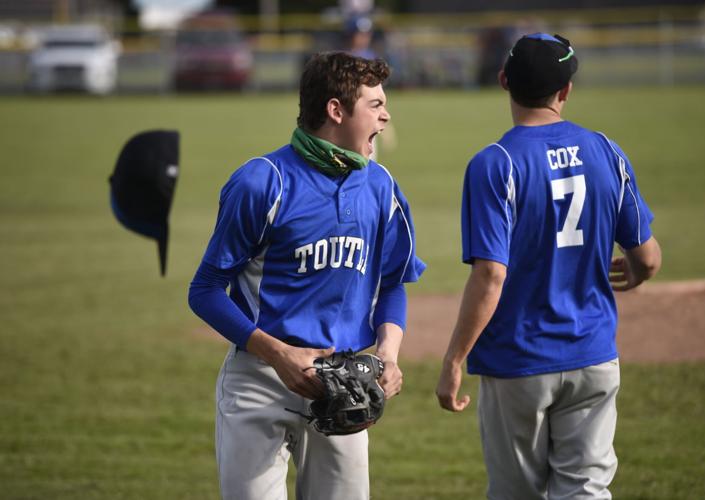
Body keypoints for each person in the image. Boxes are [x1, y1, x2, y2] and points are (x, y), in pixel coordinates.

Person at [189, 51, 425, 500]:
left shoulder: (381, 187)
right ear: (336, 110)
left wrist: (389, 355)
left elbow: (392, 281)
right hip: (260, 378)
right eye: (375, 104)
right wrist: (276, 354)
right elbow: (204, 290)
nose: (386, 114)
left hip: (346, 382)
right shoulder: (263, 182)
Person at [435, 33, 662, 499]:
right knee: (585, 490)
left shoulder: (495, 163)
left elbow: (491, 273)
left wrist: (455, 358)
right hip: (593, 355)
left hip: (518, 361)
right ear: (566, 91)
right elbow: (648, 256)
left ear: (503, 81)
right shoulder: (605, 150)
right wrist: (638, 273)